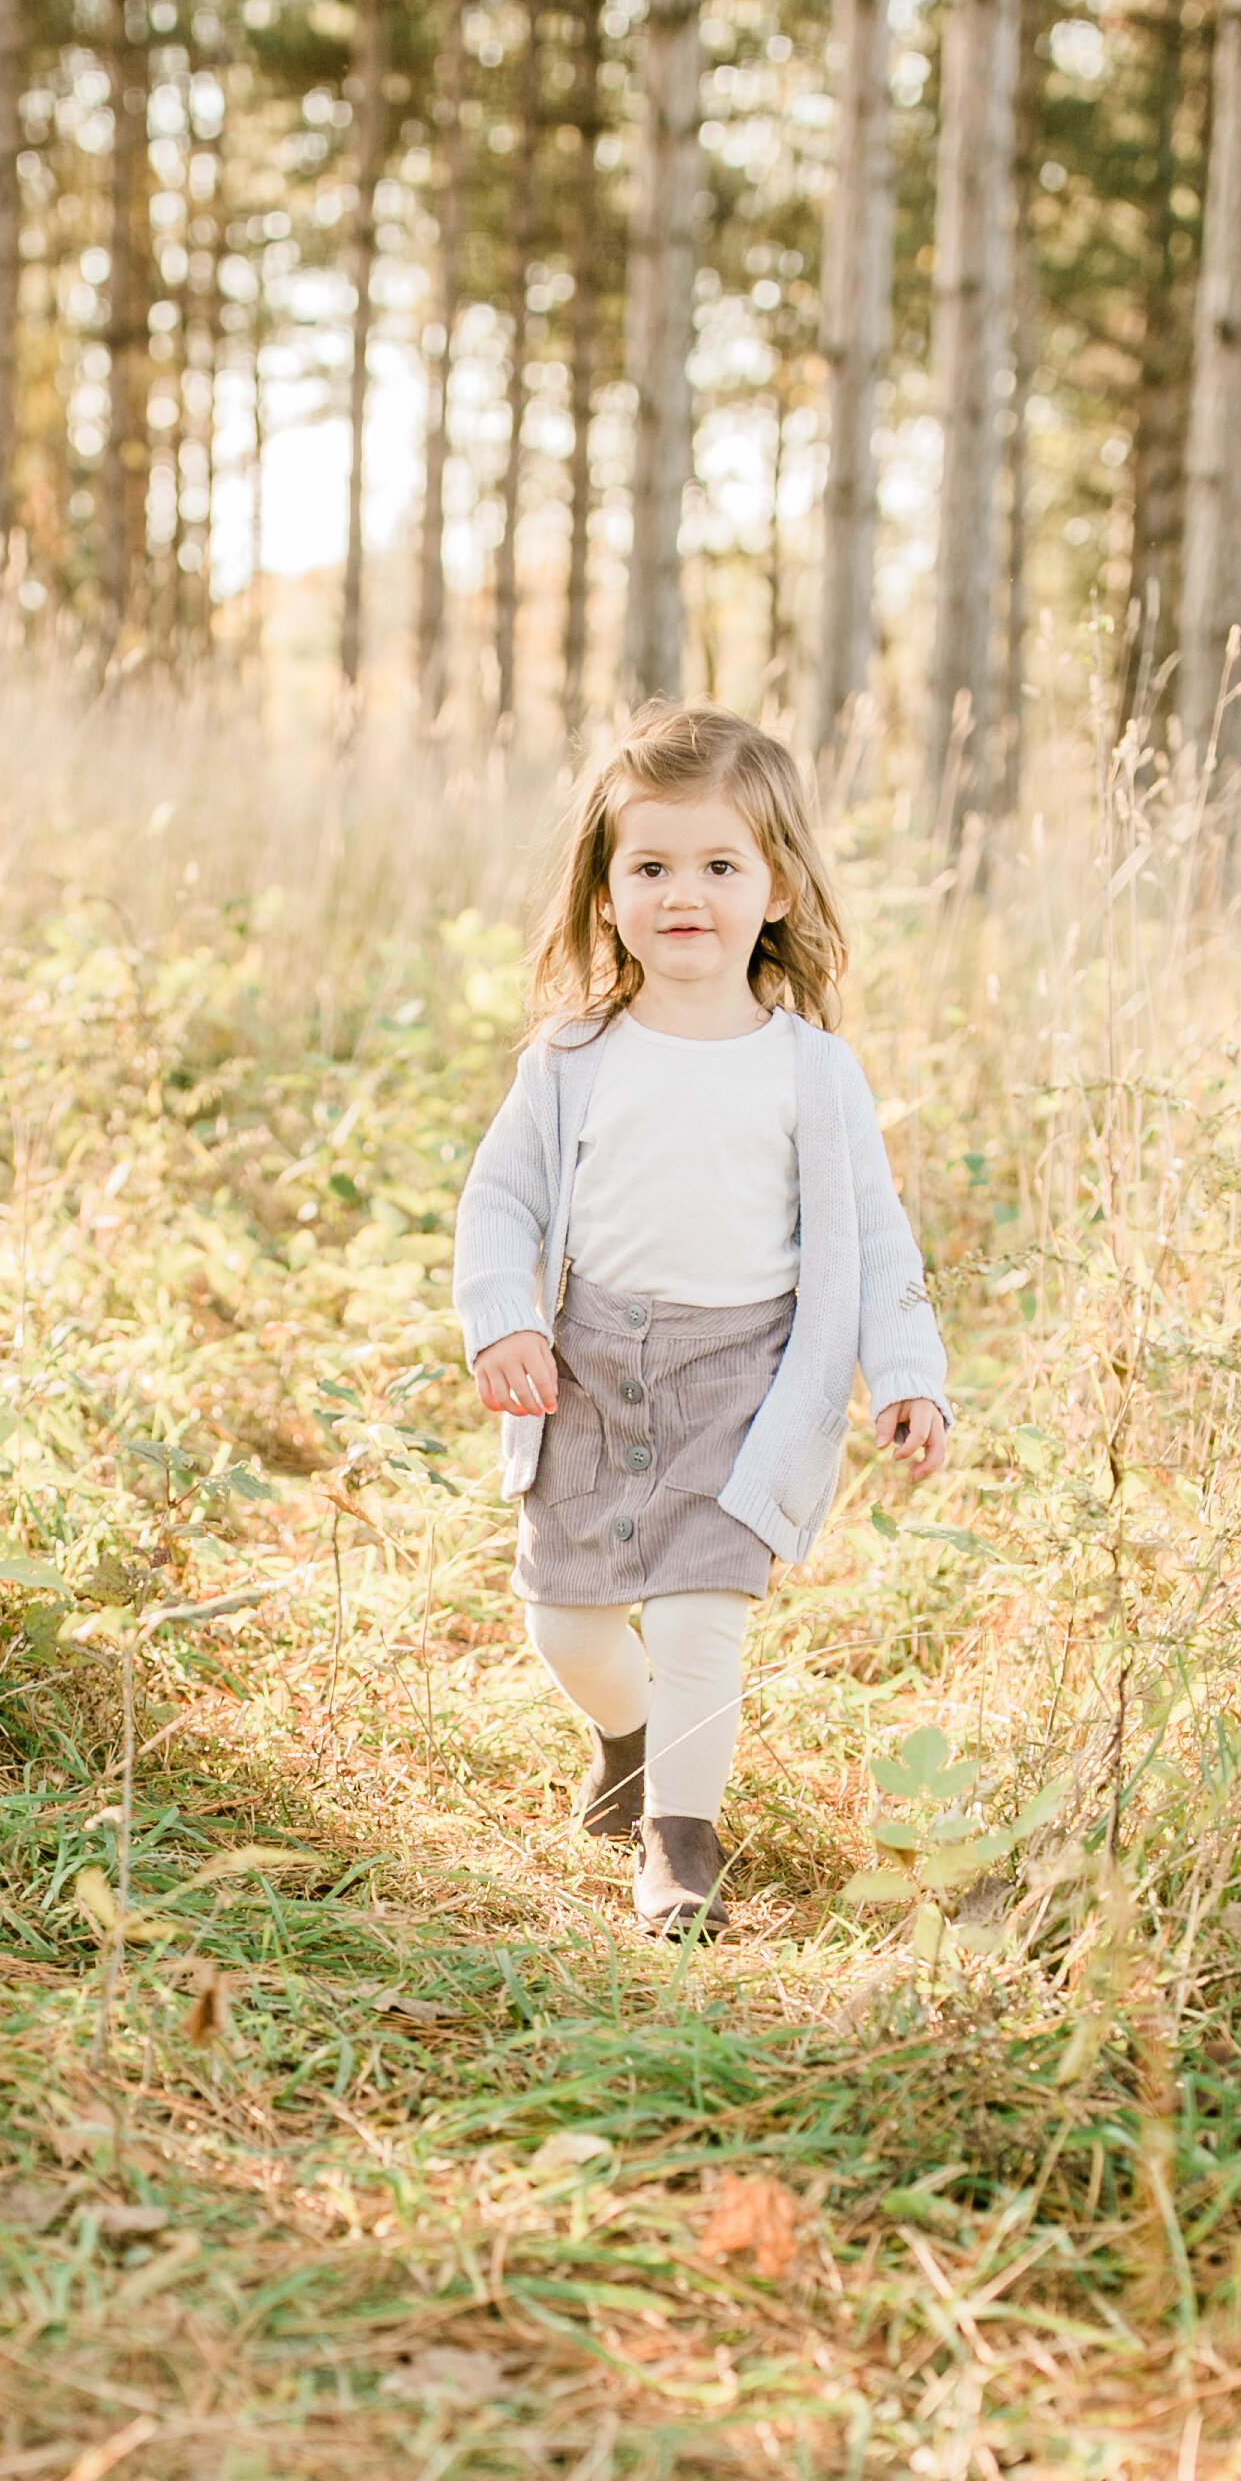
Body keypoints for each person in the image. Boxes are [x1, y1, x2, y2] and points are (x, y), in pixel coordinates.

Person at [452, 702, 951, 1938]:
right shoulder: (571, 1056)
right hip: (588, 1366)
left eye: (720, 866)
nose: (687, 894)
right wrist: (500, 1319)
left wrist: (907, 1371)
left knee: (693, 1612)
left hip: (740, 1373)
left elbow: (876, 1235)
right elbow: (499, 1202)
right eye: (653, 866)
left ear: (774, 888)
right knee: (563, 1614)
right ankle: (623, 1732)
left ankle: (681, 1840)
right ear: (607, 890)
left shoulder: (807, 1071)